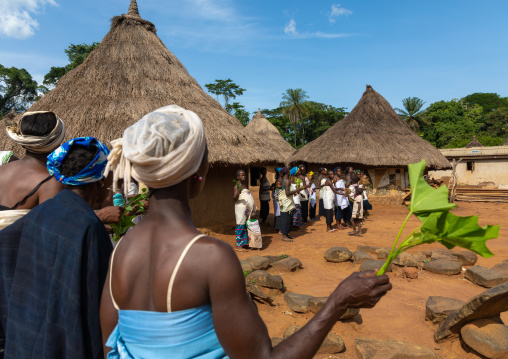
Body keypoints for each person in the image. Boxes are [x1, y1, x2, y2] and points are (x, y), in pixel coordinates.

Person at [99, 105, 392, 359]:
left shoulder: (119, 252)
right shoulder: (210, 258)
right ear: (200, 171)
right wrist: (338, 302)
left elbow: (111, 347)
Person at [0, 137, 113, 359]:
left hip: (30, 335)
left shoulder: (45, 210)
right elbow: (96, 296)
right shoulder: (87, 225)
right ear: (99, 182)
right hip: (66, 340)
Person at [0, 111, 123, 231]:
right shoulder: (50, 181)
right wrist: (100, 217)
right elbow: (54, 231)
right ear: (58, 141)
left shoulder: (2, 170)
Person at [234, 169, 256, 252]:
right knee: (240, 225)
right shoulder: (237, 186)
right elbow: (234, 198)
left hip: (246, 209)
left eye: (244, 175)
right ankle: (239, 245)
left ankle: (245, 243)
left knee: (245, 225)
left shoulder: (244, 184)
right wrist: (238, 192)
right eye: (241, 175)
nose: (244, 177)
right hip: (240, 209)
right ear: (237, 177)